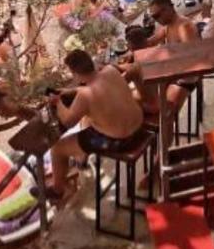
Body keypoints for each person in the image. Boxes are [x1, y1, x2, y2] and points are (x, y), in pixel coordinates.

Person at [47, 49, 144, 200]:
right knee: (90, 122)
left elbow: (68, 122)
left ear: (74, 73)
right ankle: (82, 156)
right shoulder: (111, 71)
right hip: (139, 129)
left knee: (57, 148)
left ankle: (58, 190)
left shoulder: (85, 95)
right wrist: (71, 91)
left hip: (121, 141)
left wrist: (58, 102)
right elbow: (98, 87)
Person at [146, 0, 200, 151]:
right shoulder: (167, 25)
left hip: (185, 78)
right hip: (171, 74)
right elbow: (150, 41)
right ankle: (157, 137)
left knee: (167, 114)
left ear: (169, 8)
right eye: (153, 16)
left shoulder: (184, 27)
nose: (156, 19)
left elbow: (192, 58)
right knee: (142, 98)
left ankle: (163, 156)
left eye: (157, 15)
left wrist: (164, 62)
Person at [119, 26, 160, 116]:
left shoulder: (135, 68)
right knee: (132, 91)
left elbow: (118, 86)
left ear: (130, 46)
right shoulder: (155, 55)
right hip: (161, 100)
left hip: (150, 107)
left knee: (119, 101)